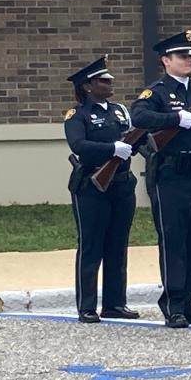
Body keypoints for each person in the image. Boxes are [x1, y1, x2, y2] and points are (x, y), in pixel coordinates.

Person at [131, 30, 191, 329]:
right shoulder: (155, 92)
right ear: (166, 60)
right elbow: (139, 118)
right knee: (173, 239)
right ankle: (172, 301)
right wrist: (174, 118)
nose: (189, 61)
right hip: (170, 173)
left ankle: (189, 300)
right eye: (183, 56)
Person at [63, 56, 138, 323]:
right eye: (103, 81)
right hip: (92, 186)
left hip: (121, 184)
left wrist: (134, 144)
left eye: (109, 80)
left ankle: (115, 303)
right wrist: (111, 149)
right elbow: (78, 145)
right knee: (91, 245)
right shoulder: (77, 115)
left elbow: (131, 141)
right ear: (87, 86)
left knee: (118, 244)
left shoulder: (119, 110)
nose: (110, 84)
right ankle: (86, 305)